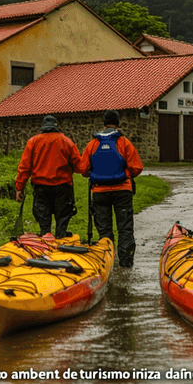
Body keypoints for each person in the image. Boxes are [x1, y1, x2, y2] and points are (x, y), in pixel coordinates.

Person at [79, 110, 144, 268]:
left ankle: (107, 262)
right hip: (122, 191)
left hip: (100, 192)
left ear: (103, 123)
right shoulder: (124, 142)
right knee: (125, 228)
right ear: (118, 123)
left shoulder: (93, 143)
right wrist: (124, 174)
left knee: (104, 230)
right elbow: (137, 167)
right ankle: (126, 262)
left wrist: (95, 174)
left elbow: (82, 169)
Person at [15, 115, 84, 238]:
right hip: (63, 187)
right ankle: (61, 239)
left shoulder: (33, 142)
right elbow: (79, 166)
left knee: (43, 220)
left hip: (41, 188)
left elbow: (25, 166)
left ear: (43, 127)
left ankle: (46, 239)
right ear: (56, 126)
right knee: (62, 218)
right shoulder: (66, 141)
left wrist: (19, 187)